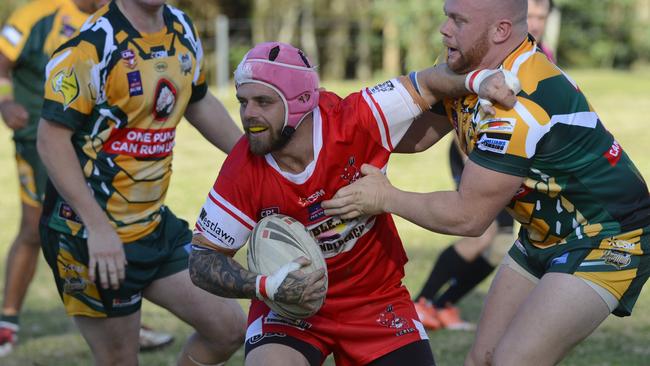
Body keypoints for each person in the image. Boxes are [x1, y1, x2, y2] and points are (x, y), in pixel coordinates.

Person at [321, 0, 650, 364]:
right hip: (543, 233)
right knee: (482, 359)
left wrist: (385, 197)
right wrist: (332, 140)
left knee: (512, 361)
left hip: (610, 236)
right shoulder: (470, 69)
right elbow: (417, 136)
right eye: (447, 16)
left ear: (500, 30)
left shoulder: (519, 103)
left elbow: (468, 218)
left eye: (458, 20)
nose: (444, 29)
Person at [188, 41, 516, 366]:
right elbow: (203, 259)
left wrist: (477, 82)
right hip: (290, 308)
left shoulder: (356, 118)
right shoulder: (242, 168)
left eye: (263, 102)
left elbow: (427, 82)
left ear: (302, 101)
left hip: (373, 299)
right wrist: (267, 286)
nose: (249, 115)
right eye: (242, 102)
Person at [35, 0, 246, 364]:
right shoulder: (91, 46)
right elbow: (50, 141)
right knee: (120, 359)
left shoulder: (181, 28)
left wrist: (255, 162)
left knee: (228, 329)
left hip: (151, 225)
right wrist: (97, 228)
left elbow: (197, 101)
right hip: (88, 235)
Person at [0, 0, 172, 357]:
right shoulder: (37, 15)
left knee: (113, 224)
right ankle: (9, 320)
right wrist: (5, 102)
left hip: (99, 151)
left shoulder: (123, 18)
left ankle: (124, 318)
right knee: (34, 227)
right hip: (40, 138)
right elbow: (2, 62)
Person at [413, 0, 556, 332]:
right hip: (480, 152)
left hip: (512, 155)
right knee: (483, 232)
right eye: (530, 15)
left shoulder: (540, 54)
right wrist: (473, 159)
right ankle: (422, 303)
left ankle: (441, 304)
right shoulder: (479, 53)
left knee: (503, 240)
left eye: (541, 17)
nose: (535, 23)